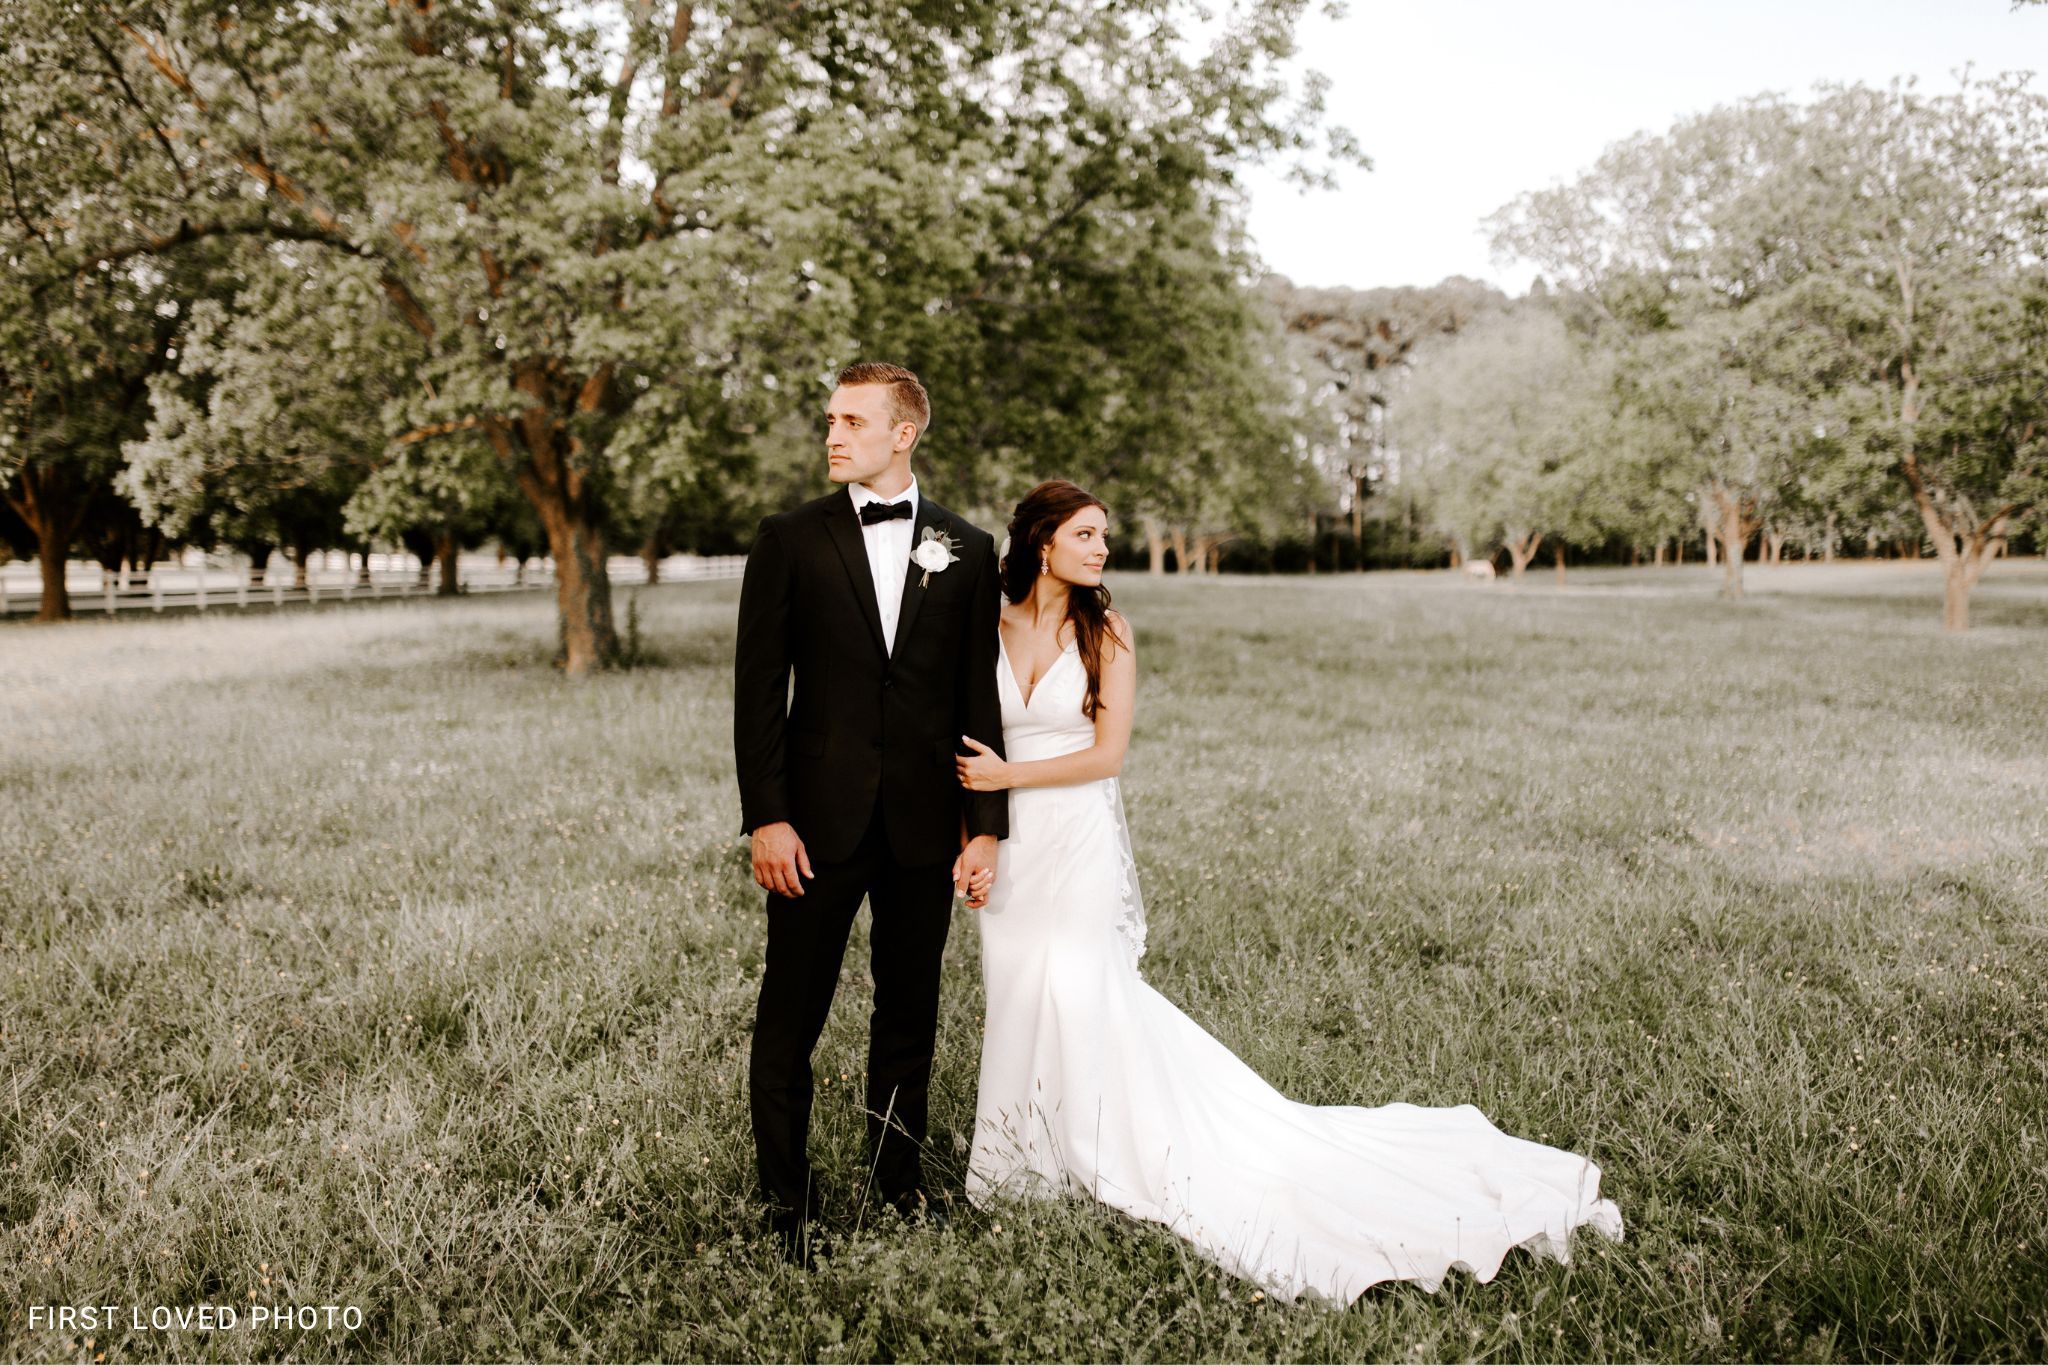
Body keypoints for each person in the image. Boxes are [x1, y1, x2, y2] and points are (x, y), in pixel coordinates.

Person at [954, 479, 1623, 1304]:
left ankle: (1103, 1147)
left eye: (1104, 536)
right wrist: (974, 835)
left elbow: (1108, 755)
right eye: (1086, 535)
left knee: (1083, 988)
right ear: (1041, 541)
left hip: (1078, 841)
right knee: (1019, 990)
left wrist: (1008, 772)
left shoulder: (1108, 631)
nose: (1101, 549)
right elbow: (965, 748)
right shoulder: (985, 624)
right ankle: (1022, 1158)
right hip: (1014, 849)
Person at [732, 362, 1006, 1262]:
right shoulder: (789, 540)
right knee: (790, 1014)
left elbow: (977, 701)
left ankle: (898, 1180)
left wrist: (984, 829)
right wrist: (767, 816)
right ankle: (787, 1200)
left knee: (909, 1010)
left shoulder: (968, 548)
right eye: (829, 418)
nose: (833, 434)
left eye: (853, 419)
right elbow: (758, 692)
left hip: (925, 825)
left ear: (905, 433)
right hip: (814, 825)